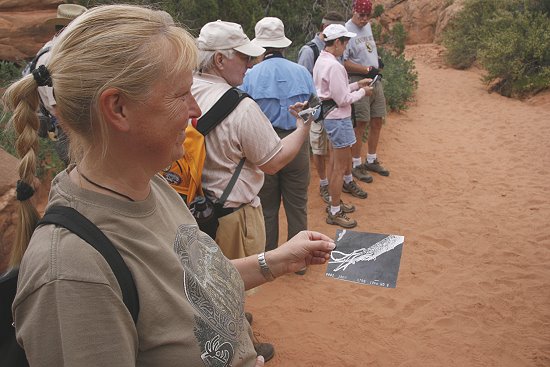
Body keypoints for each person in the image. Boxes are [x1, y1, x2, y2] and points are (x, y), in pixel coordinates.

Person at [2, 5, 335, 366]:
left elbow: (189, 283)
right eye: (180, 94)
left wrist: (274, 261)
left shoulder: (153, 187)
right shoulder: (72, 274)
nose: (195, 109)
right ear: (118, 108)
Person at [193, 20, 311, 261]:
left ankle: (272, 254)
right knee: (235, 289)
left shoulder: (186, 89)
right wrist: (303, 126)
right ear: (219, 60)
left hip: (194, 209)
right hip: (231, 219)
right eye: (244, 57)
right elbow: (272, 162)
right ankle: (292, 258)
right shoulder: (241, 106)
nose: (250, 64)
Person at [240, 17, 316, 269]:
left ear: (260, 47)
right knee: (297, 203)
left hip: (264, 144)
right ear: (283, 45)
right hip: (298, 141)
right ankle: (301, 260)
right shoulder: (302, 72)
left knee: (267, 205)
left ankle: (271, 259)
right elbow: (316, 109)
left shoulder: (250, 76)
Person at [313, 24, 373, 228]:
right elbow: (343, 99)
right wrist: (364, 92)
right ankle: (335, 211)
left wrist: (357, 84)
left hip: (330, 117)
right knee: (339, 167)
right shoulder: (335, 66)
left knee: (333, 164)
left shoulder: (322, 61)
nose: (346, 46)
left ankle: (334, 202)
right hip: (339, 119)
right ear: (336, 42)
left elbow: (334, 92)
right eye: (345, 41)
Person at [297, 11, 345, 204]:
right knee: (318, 149)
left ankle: (333, 185)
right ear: (326, 29)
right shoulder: (309, 51)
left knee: (333, 149)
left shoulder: (336, 48)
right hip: (318, 110)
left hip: (334, 110)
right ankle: (324, 183)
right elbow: (302, 81)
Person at [31, 3, 88, 165]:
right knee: (81, 179)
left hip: (69, 129)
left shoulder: (53, 50)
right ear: (68, 30)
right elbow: (59, 111)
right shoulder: (54, 59)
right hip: (70, 132)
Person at [344, 0, 390, 182]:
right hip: (359, 80)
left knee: (377, 119)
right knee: (361, 123)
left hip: (375, 80)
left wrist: (377, 61)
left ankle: (371, 159)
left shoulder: (367, 27)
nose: (363, 19)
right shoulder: (346, 31)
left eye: (367, 16)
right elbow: (344, 62)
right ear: (354, 11)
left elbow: (368, 49)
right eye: (360, 15)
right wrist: (366, 70)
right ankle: (356, 163)